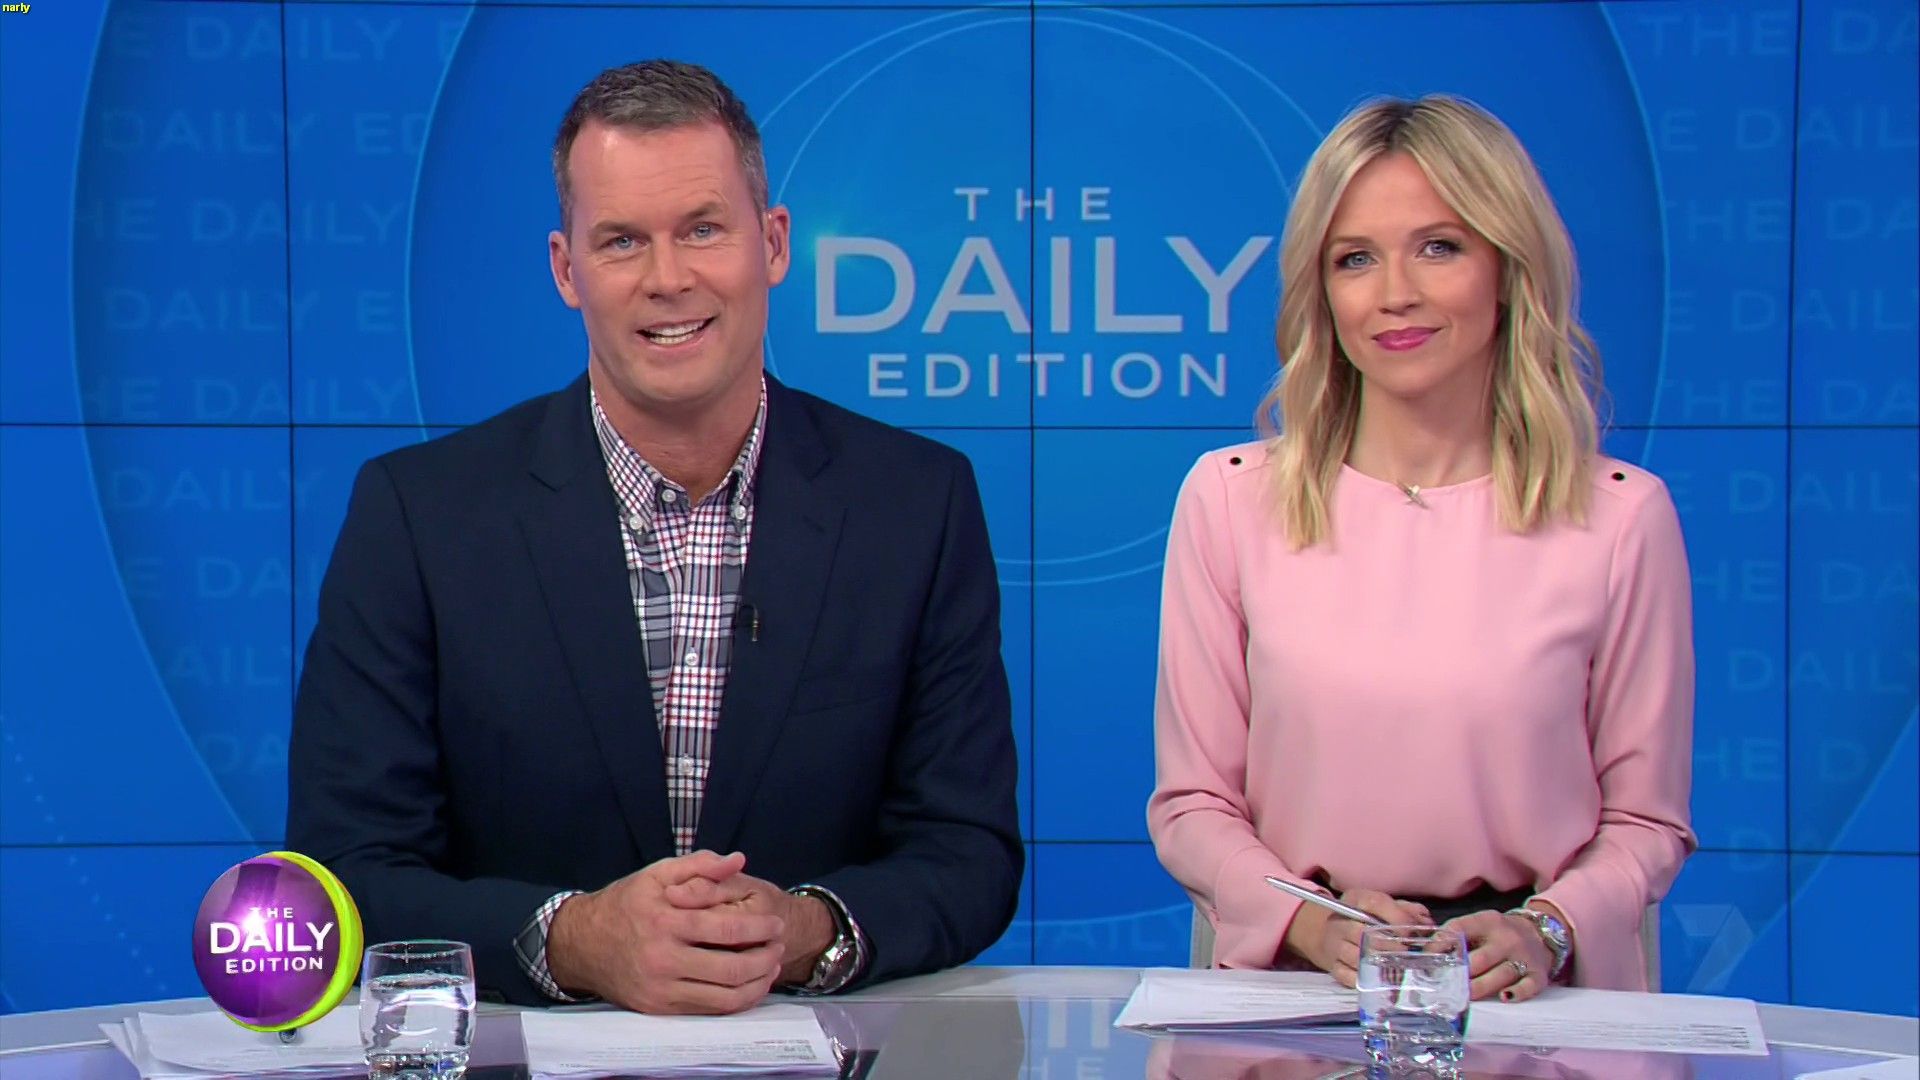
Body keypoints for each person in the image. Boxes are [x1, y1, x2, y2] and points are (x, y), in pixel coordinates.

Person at [287, 59, 1022, 1013]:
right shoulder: (421, 516)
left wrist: (802, 929)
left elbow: (968, 853)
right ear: (567, 270)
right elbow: (345, 871)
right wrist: (579, 940)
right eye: (623, 241)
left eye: (703, 230)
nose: (668, 279)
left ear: (773, 243)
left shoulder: (916, 505)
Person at [1147, 95, 1695, 999]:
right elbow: (1192, 806)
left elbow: (1646, 824)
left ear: (1508, 270)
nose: (1394, 292)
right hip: (1303, 994)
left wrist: (1544, 929)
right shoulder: (1231, 499)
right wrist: (1311, 922)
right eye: (1355, 259)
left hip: (1530, 1003)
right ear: (1321, 290)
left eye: (1439, 247)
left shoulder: (1621, 517)